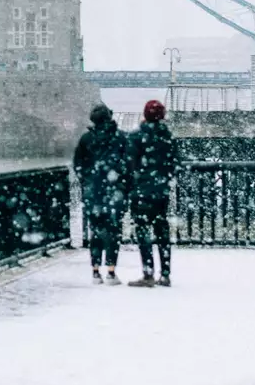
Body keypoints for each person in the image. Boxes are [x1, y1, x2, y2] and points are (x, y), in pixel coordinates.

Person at [73, 102, 129, 284]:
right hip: (115, 192)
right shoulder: (121, 138)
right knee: (113, 231)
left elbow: (78, 164)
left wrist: (87, 181)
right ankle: (111, 272)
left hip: (93, 192)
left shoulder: (86, 139)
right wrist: (122, 183)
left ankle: (95, 271)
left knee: (96, 231)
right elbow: (128, 164)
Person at [128, 98, 179, 287]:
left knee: (143, 232)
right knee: (162, 232)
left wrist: (134, 184)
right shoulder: (167, 137)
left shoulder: (136, 137)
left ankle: (147, 273)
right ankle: (165, 274)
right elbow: (175, 163)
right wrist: (164, 180)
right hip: (161, 192)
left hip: (141, 192)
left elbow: (129, 164)